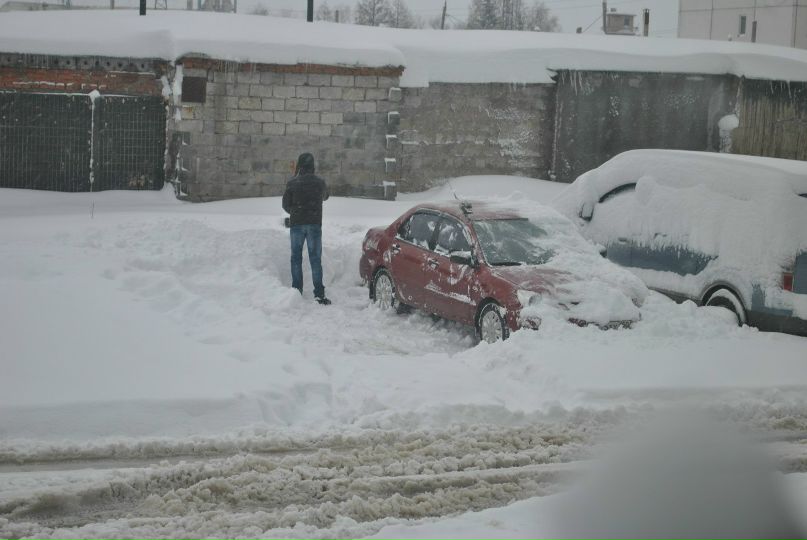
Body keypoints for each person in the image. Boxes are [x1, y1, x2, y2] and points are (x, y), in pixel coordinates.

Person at [282, 153, 331, 305]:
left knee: (296, 258)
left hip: (297, 225)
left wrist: (296, 212)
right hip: (314, 224)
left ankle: (296, 290)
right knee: (315, 259)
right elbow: (326, 196)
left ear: (299, 165)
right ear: (312, 166)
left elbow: (285, 204)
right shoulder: (319, 182)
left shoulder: (292, 183)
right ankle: (319, 294)